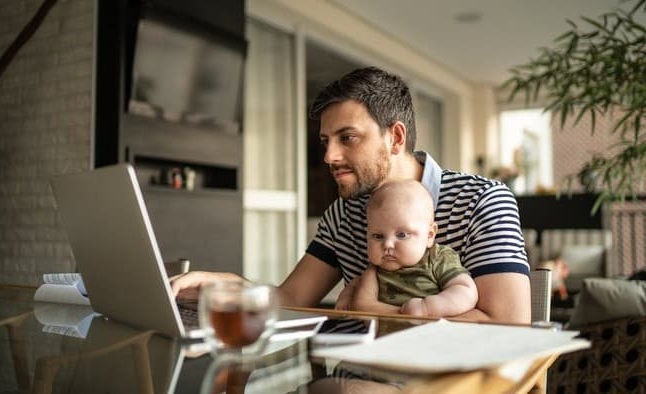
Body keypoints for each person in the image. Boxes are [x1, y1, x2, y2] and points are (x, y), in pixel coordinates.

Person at [171, 66, 531, 324]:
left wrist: (376, 312)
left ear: (396, 138)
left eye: (348, 138)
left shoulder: (482, 199)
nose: (329, 157)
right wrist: (229, 285)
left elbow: (510, 325)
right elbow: (292, 300)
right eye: (326, 142)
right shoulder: (342, 216)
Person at [339, 179, 478, 317]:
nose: (387, 244)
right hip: (383, 338)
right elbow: (360, 295)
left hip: (428, 334)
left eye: (401, 235)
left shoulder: (437, 258)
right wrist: (348, 294)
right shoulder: (374, 270)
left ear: (430, 235)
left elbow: (465, 290)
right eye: (378, 236)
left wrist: (427, 308)